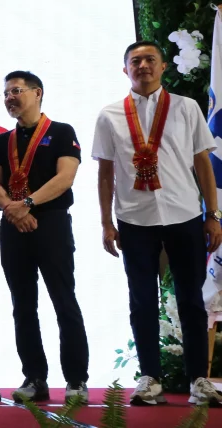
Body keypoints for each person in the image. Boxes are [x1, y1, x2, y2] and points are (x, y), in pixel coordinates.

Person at [93, 41, 222, 407]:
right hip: (134, 219)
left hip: (184, 215)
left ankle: (199, 380)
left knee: (192, 300)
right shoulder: (110, 115)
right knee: (142, 300)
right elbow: (105, 173)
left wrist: (212, 215)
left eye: (150, 59)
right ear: (125, 70)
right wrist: (106, 222)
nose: (143, 65)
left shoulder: (186, 107)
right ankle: (150, 378)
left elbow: (203, 163)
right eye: (135, 61)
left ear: (163, 66)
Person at [0, 71, 89, 403]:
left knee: (64, 300)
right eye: (6, 93)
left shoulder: (61, 132)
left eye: (16, 91)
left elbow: (65, 177)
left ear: (37, 93)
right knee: (22, 305)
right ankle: (34, 377)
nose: (10, 98)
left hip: (52, 223)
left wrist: (27, 204)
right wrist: (14, 209)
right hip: (13, 226)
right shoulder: (1, 142)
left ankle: (76, 379)